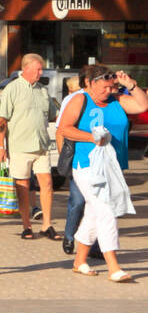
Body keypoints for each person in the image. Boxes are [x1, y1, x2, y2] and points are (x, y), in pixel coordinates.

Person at [62, 64, 147, 282]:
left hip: (112, 165)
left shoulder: (116, 100)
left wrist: (131, 85)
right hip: (87, 165)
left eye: (112, 87)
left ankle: (79, 260)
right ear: (89, 83)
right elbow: (64, 128)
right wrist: (92, 137)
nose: (109, 91)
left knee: (93, 211)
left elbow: (142, 105)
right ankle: (113, 266)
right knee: (106, 210)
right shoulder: (79, 100)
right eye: (105, 87)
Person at [0, 53, 56, 240]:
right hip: (19, 146)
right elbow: (2, 120)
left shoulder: (43, 91)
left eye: (41, 69)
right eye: (38, 69)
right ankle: (26, 225)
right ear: (26, 68)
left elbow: (54, 115)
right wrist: (1, 146)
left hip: (41, 145)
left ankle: (47, 224)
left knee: (47, 184)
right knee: (22, 187)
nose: (41, 73)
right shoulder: (12, 89)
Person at [58, 71, 89, 256]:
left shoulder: (108, 101)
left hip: (101, 160)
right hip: (78, 158)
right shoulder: (74, 100)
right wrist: (64, 157)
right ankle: (69, 236)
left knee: (96, 205)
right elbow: (60, 130)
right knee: (78, 201)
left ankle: (94, 246)